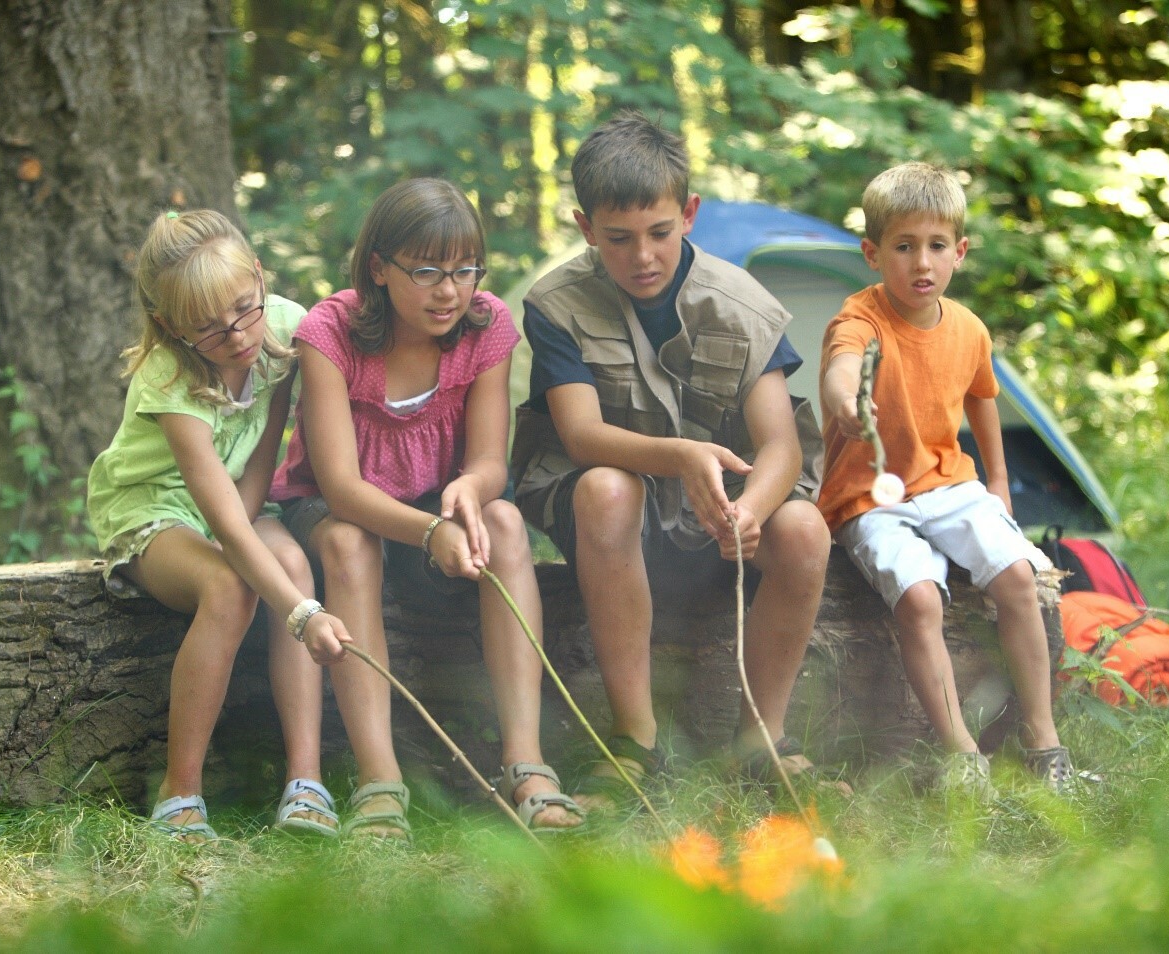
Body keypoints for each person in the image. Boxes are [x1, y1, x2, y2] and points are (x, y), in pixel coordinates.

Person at [511, 113, 832, 810]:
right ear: (586, 226)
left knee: (806, 532)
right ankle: (636, 740)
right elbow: (581, 433)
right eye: (619, 239)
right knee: (604, 489)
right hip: (612, 515)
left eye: (659, 233)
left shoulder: (743, 305)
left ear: (688, 215)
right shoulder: (556, 304)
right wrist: (682, 456)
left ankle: (761, 739)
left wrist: (750, 510)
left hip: (715, 514)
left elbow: (779, 444)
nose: (642, 256)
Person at [270, 178, 584, 838]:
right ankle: (381, 780)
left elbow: (490, 463)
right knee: (349, 544)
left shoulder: (486, 324)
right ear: (380, 269)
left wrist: (468, 493)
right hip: (334, 507)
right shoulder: (329, 332)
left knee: (502, 520)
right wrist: (430, 529)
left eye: (466, 270)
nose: (451, 292)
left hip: (432, 507)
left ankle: (525, 763)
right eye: (429, 272)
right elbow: (339, 485)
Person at [87, 210, 352, 842]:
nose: (237, 337)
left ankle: (305, 782)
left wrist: (280, 570)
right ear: (169, 325)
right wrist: (303, 614)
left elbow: (264, 450)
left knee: (291, 565)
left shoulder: (286, 328)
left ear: (261, 277)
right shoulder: (168, 375)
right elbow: (222, 527)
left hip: (239, 499)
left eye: (244, 308)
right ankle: (179, 794)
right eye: (209, 328)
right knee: (231, 588)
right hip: (153, 507)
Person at [817, 161, 1073, 795]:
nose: (920, 263)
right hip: (869, 498)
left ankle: (1044, 740)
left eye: (935, 246)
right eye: (903, 247)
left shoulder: (969, 329)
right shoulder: (861, 319)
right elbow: (840, 371)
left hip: (950, 484)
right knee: (922, 597)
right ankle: (963, 755)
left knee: (1018, 576)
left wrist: (1001, 481)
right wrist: (847, 405)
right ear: (873, 254)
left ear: (959, 252)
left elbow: (984, 398)